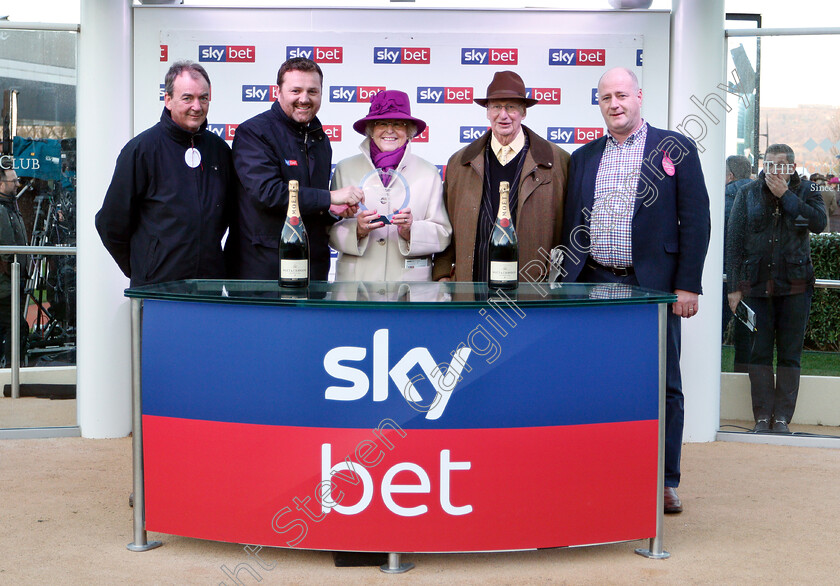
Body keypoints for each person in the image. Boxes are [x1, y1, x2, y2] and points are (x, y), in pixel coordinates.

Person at [559, 67, 711, 514]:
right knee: (596, 382)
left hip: (653, 289)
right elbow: (573, 226)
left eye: (621, 95)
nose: (614, 104)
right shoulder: (583, 157)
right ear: (599, 103)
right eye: (606, 98)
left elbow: (696, 220)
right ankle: (602, 470)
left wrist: (687, 285)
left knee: (664, 384)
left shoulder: (675, 148)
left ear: (639, 96)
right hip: (593, 285)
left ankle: (664, 479)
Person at [96, 61, 234, 287]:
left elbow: (229, 216)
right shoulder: (141, 150)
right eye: (187, 98)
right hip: (158, 290)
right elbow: (110, 222)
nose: (197, 106)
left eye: (204, 98)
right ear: (168, 100)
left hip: (209, 288)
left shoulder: (220, 151)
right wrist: (143, 268)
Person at [225, 57, 363, 281]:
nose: (304, 99)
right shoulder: (253, 133)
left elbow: (309, 203)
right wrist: (330, 197)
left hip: (312, 270)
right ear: (277, 92)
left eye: (312, 91)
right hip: (263, 272)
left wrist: (331, 211)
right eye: (296, 90)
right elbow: (269, 194)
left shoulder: (320, 139)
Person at [432, 70, 570, 283]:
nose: (503, 115)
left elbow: (567, 232)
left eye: (511, 107)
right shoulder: (459, 163)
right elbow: (446, 226)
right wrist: (441, 274)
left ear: (523, 112)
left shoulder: (557, 161)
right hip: (473, 288)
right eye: (496, 106)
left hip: (531, 292)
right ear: (487, 111)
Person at [726, 144, 826, 434]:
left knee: (789, 354)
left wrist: (787, 197)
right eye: (768, 165)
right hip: (756, 287)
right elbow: (734, 242)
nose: (772, 171)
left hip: (796, 286)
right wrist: (734, 287)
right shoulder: (748, 192)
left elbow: (817, 224)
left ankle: (782, 417)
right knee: (758, 353)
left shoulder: (808, 191)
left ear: (791, 167)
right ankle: (761, 416)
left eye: (779, 165)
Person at [330, 90, 451, 281]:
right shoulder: (345, 169)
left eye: (398, 124)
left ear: (409, 130)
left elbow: (443, 234)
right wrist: (358, 230)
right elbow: (327, 230)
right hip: (356, 286)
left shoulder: (429, 173)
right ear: (370, 128)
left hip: (409, 289)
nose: (390, 130)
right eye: (381, 123)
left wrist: (411, 231)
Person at [723, 155, 753, 369]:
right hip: (753, 278)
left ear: (730, 175)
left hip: (724, 276)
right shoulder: (761, 198)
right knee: (747, 339)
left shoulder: (720, 199)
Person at [0, 165, 28, 366]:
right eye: (13, 181)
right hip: (5, 285)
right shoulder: (3, 210)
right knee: (17, 327)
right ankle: (12, 373)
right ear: (1, 184)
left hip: (10, 283)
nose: (18, 184)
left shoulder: (10, 207)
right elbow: (9, 249)